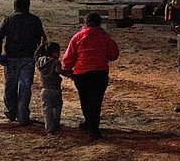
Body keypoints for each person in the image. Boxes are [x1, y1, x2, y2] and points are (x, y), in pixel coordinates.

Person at [62, 12, 119, 140]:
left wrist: (68, 69)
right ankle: (93, 127)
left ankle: (89, 123)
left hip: (81, 73)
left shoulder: (78, 37)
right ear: (100, 23)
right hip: (100, 73)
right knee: (96, 101)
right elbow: (113, 55)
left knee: (85, 99)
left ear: (85, 23)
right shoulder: (104, 38)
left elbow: (68, 57)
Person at [0, 0, 47, 125]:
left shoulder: (8, 20)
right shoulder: (34, 20)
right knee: (25, 86)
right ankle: (23, 115)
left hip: (11, 57)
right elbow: (43, 40)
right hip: (29, 57)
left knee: (10, 85)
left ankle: (10, 112)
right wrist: (42, 56)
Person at [34, 41, 66, 135]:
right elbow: (58, 71)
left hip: (44, 89)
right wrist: (69, 74)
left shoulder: (40, 61)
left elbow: (35, 55)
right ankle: (56, 124)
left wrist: (41, 45)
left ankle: (49, 128)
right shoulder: (56, 62)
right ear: (55, 53)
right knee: (57, 107)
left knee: (47, 109)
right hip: (55, 89)